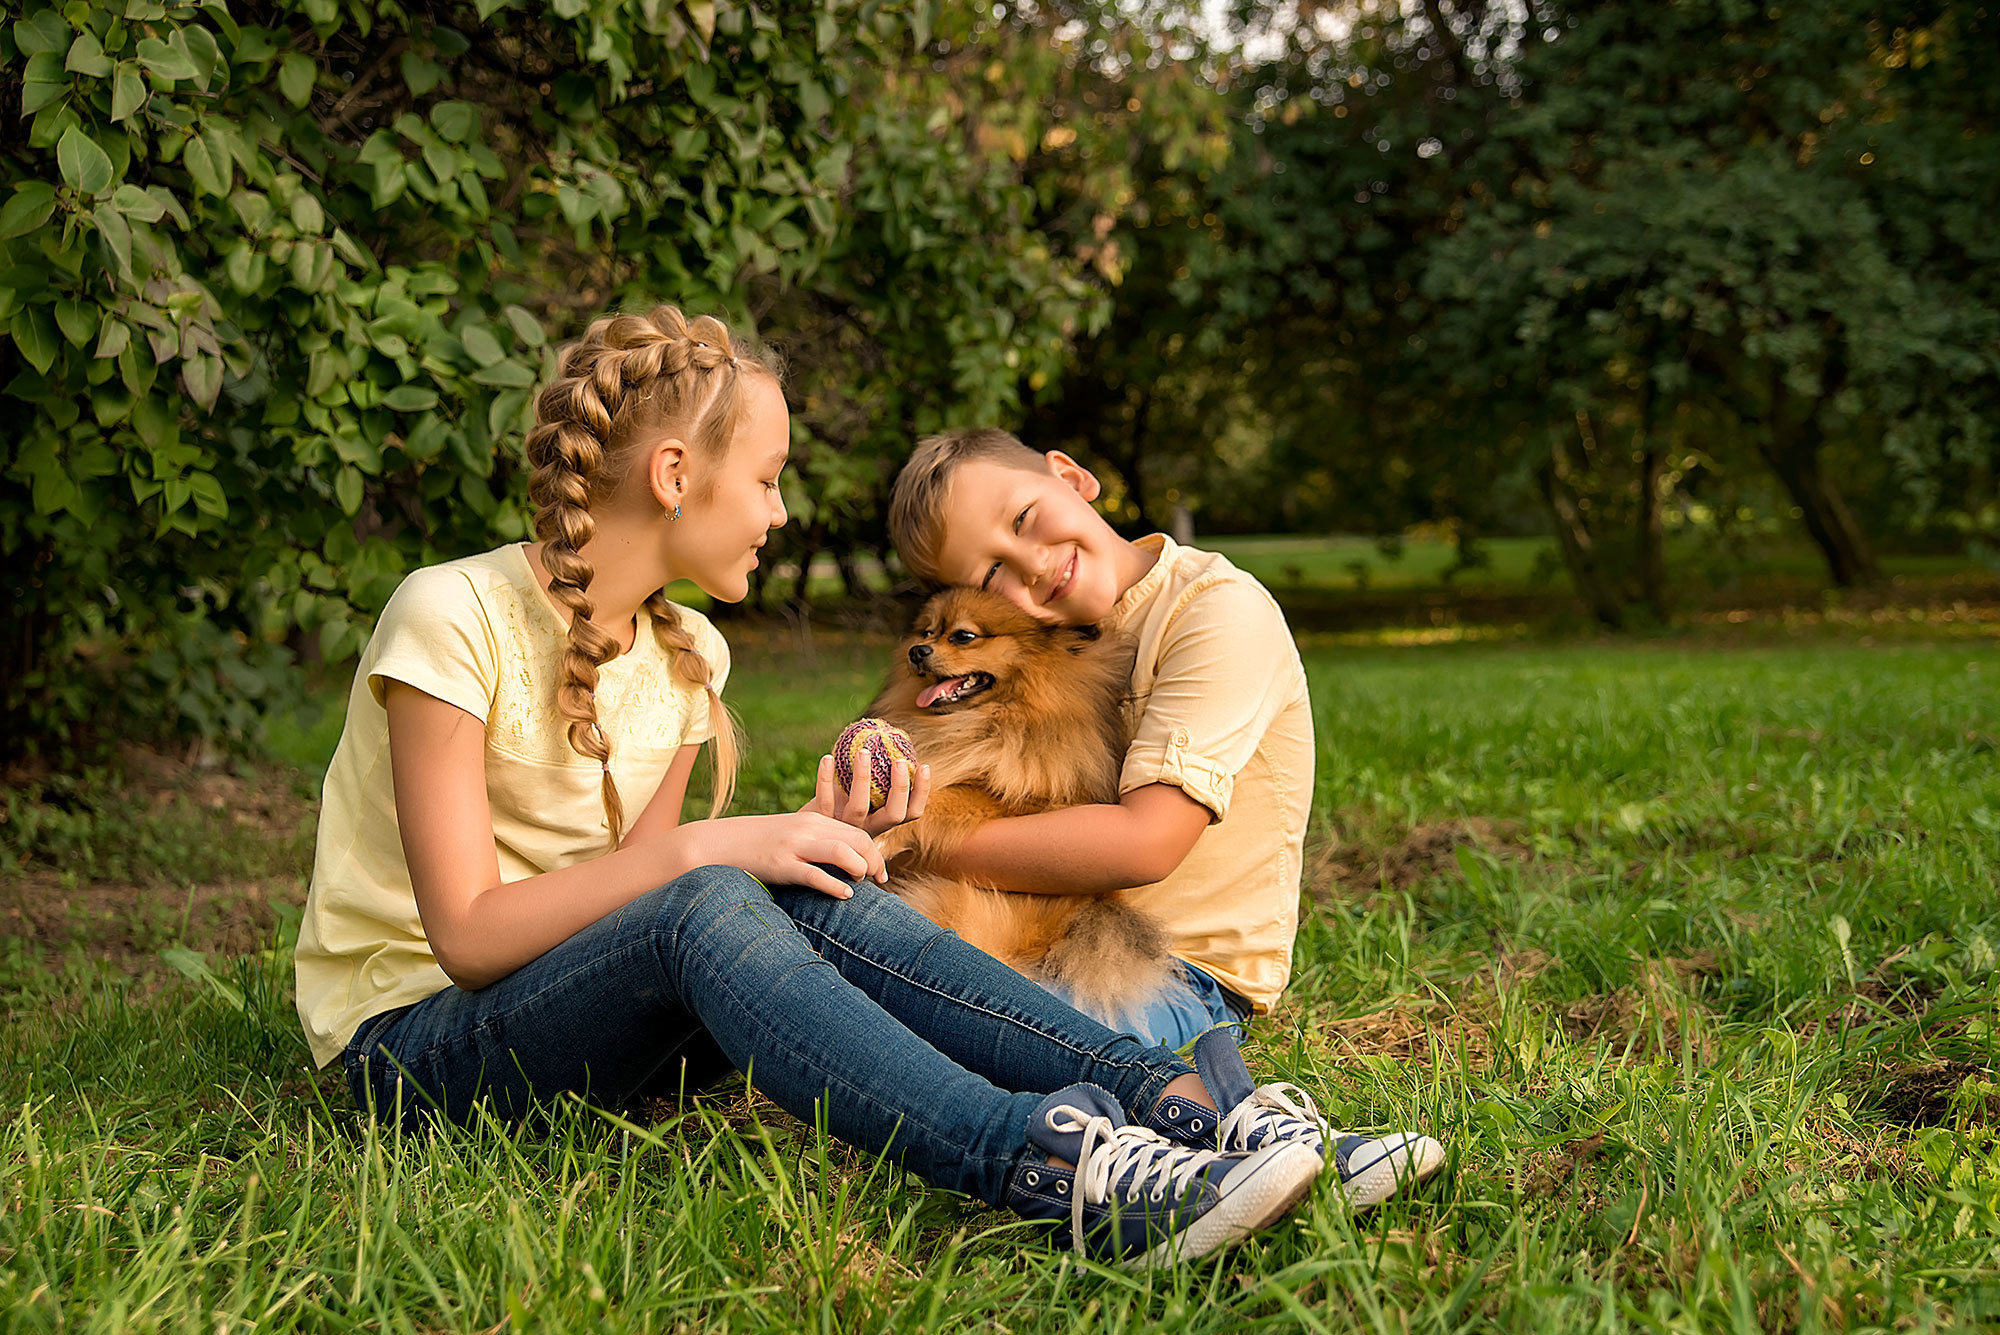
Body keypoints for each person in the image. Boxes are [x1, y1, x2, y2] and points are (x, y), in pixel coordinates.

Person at [291, 305, 1422, 1269]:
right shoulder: (448, 614)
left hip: (577, 1024)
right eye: (769, 480)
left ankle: (1189, 1107)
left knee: (800, 887)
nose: (782, 513)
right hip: (416, 1052)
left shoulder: (688, 657)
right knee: (715, 891)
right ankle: (1053, 1164)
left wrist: (816, 842)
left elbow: (619, 899)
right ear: (676, 477)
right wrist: (716, 846)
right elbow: (479, 939)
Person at [886, 429, 1447, 1193]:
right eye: (992, 574)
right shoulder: (1052, 637)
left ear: (1071, 475)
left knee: (927, 1036)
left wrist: (919, 837)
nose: (1034, 564)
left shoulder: (1217, 614)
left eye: (1023, 519)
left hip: (1172, 974)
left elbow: (1144, 844)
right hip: (1048, 934)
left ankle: (1219, 1152)